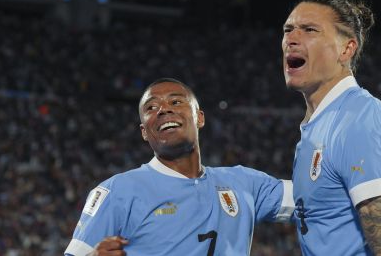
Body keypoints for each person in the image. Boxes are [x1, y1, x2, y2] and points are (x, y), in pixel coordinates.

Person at [64, 78, 294, 256]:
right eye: (151, 108)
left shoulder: (246, 183)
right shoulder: (117, 192)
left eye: (176, 101)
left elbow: (319, 197)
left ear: (199, 118)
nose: (164, 109)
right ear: (144, 132)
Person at [281, 0, 381, 255]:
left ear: (346, 49)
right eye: (288, 29)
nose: (292, 38)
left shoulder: (359, 122)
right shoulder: (319, 127)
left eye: (310, 29)